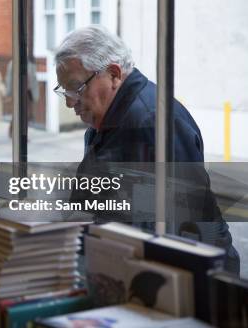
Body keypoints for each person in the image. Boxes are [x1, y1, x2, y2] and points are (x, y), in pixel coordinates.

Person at [54, 25, 239, 273]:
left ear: (113, 74)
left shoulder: (151, 122)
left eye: (76, 88)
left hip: (188, 276)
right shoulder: (106, 121)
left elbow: (177, 226)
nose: (69, 102)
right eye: (64, 90)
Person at [5, 57, 40, 138]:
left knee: (26, 115)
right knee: (16, 113)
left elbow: (34, 80)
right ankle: (11, 131)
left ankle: (24, 135)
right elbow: (9, 78)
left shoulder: (30, 65)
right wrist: (9, 92)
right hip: (17, 93)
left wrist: (35, 94)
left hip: (27, 94)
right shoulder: (12, 63)